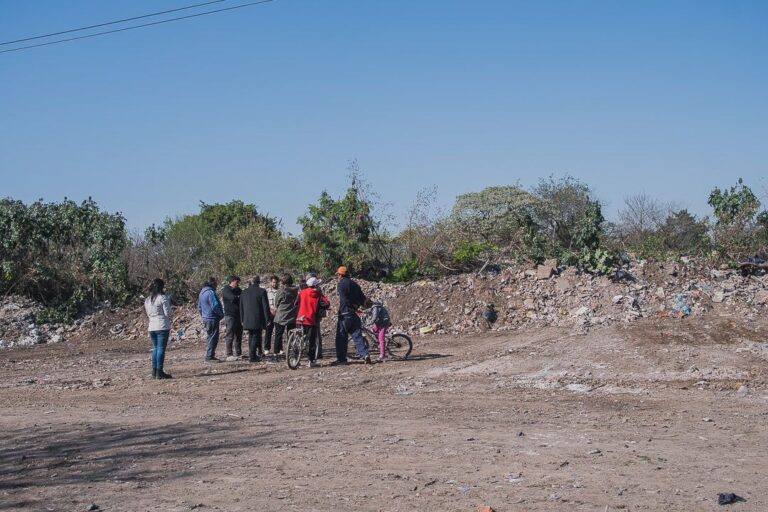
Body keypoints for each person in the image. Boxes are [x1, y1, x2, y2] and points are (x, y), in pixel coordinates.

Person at [333, 266, 371, 365]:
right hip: (354, 314)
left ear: (340, 275)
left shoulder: (341, 284)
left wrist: (349, 307)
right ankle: (365, 354)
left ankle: (341, 359)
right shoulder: (355, 284)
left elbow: (343, 299)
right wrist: (356, 307)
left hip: (345, 314)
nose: (338, 277)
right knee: (357, 336)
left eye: (338, 275)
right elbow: (363, 299)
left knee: (341, 337)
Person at [296, 276, 330, 368]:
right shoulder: (318, 294)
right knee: (311, 341)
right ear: (316, 285)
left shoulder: (302, 292)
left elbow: (296, 303)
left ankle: (295, 358)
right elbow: (327, 303)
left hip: (300, 318)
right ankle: (311, 360)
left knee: (298, 338)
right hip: (311, 320)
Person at [144, 278, 172, 379]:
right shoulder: (162, 298)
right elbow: (167, 313)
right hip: (162, 325)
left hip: (151, 326)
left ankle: (154, 371)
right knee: (160, 349)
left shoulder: (148, 299)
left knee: (155, 349)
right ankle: (159, 372)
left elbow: (148, 314)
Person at [240, 275, 271, 362]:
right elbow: (265, 307)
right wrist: (267, 318)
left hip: (247, 318)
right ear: (259, 282)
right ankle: (252, 357)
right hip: (257, 318)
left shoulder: (244, 292)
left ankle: (252, 354)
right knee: (255, 336)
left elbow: (241, 307)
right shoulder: (261, 291)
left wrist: (242, 319)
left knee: (251, 336)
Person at [272, 273, 299, 358]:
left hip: (281, 316)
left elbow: (276, 303)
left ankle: (276, 353)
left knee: (278, 335)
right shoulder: (296, 289)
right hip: (292, 315)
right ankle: (293, 352)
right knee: (292, 335)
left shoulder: (281, 290)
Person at [198, 276, 224, 362]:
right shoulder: (210, 293)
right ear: (213, 284)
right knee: (213, 337)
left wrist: (203, 316)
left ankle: (210, 355)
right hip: (212, 318)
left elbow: (199, 307)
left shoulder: (201, 293)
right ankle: (210, 356)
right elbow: (215, 305)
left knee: (210, 336)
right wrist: (221, 314)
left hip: (206, 318)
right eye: (216, 284)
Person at [221, 275, 243, 361]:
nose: (237, 284)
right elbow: (232, 298)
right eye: (236, 282)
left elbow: (242, 297)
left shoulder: (238, 290)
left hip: (238, 315)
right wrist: (238, 297)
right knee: (230, 334)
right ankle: (229, 354)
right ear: (232, 281)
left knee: (238, 334)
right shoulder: (226, 289)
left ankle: (238, 352)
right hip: (230, 315)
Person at [264, 275, 280, 355]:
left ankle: (279, 348)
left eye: (276, 282)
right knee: (268, 331)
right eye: (273, 282)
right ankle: (266, 348)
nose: (274, 284)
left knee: (278, 332)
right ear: (270, 282)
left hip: (278, 313)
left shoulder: (280, 291)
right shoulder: (266, 291)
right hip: (269, 314)